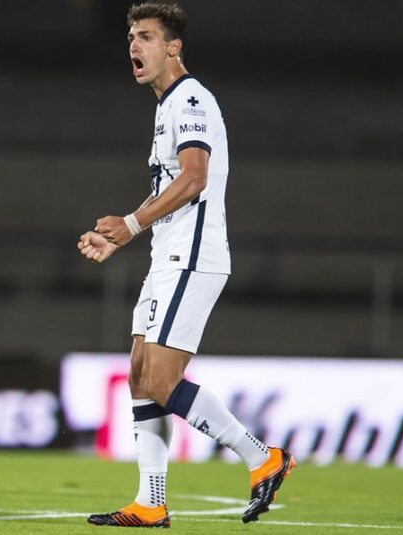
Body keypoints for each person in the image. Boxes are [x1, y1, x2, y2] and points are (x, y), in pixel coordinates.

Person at [78, 3, 294, 527]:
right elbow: (170, 189)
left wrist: (130, 224)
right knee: (137, 376)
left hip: (193, 255)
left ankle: (260, 455)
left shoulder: (190, 98)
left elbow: (194, 178)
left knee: (159, 377)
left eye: (147, 37)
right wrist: (124, 239)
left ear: (174, 47)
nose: (135, 45)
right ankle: (151, 501)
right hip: (166, 254)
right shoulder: (166, 105)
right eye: (131, 36)